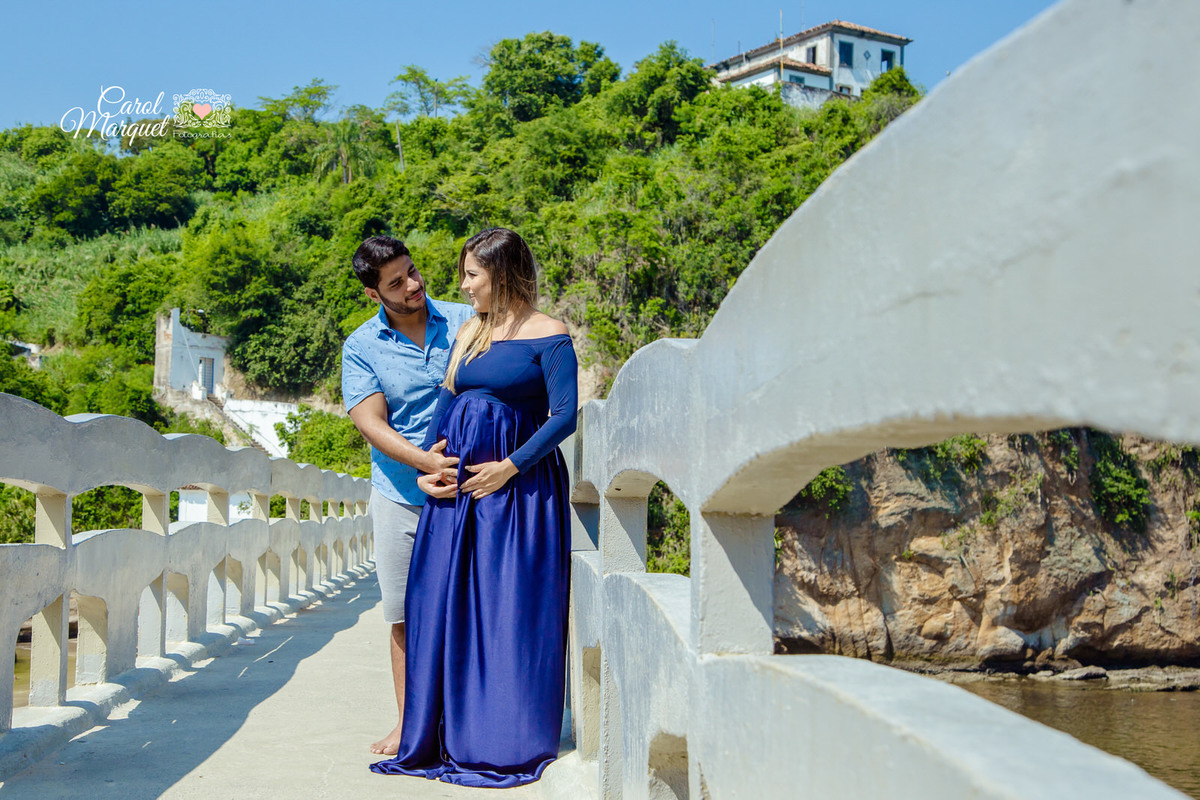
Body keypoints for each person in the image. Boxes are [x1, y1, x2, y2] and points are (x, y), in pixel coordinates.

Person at [369, 227, 578, 788]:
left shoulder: (549, 333)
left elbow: (564, 416)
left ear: (502, 275)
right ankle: (445, 732)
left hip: (517, 495)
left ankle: (504, 737)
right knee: (441, 604)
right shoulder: (469, 331)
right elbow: (446, 406)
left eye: (473, 276)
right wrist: (427, 473)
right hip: (455, 494)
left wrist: (510, 466)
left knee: (506, 606)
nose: (462, 286)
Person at [341, 235, 473, 756]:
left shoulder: (467, 318)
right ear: (374, 295)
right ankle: (408, 724)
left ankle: (469, 724)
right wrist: (423, 463)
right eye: (396, 283)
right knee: (401, 614)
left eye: (412, 272)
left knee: (469, 605)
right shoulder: (361, 347)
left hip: (469, 490)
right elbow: (370, 423)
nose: (413, 285)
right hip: (398, 495)